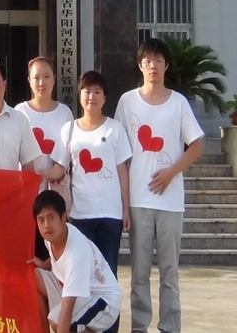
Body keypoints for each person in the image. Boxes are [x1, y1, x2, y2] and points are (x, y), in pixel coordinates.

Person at [115, 38, 204, 333]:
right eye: (147, 60)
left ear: (166, 65)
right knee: (139, 272)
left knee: (169, 272)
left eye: (158, 60)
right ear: (140, 66)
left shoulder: (178, 103)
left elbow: (196, 146)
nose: (152, 65)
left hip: (170, 202)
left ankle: (170, 327)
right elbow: (118, 151)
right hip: (139, 200)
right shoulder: (127, 102)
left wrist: (170, 173)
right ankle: (139, 327)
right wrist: (123, 202)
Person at [52, 71, 131, 333]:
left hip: (110, 216)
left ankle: (109, 329)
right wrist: (35, 172)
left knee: (108, 278)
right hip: (80, 217)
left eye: (97, 92)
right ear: (80, 95)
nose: (91, 96)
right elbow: (59, 168)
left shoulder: (115, 129)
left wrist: (126, 209)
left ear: (105, 97)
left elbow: (122, 171)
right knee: (81, 278)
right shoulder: (69, 129)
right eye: (87, 91)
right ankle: (84, 327)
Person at [32, 190, 122, 333]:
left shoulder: (76, 253)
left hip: (103, 301)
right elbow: (59, 259)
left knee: (57, 320)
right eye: (41, 220)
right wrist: (44, 264)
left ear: (63, 218)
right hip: (78, 292)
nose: (46, 225)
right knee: (33, 276)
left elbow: (67, 309)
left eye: (51, 218)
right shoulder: (50, 237)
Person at [15, 56, 75, 195]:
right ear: (29, 81)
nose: (41, 83)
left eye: (47, 76)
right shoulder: (19, 111)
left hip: (56, 191)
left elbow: (68, 156)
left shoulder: (64, 113)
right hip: (25, 189)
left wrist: (51, 172)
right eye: (36, 78)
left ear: (54, 79)